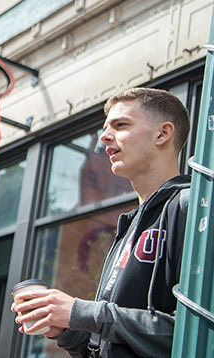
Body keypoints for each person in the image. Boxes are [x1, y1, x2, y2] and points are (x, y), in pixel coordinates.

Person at [11, 88, 191, 357]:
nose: (105, 136)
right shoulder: (129, 227)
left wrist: (81, 312)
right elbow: (108, 344)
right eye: (106, 128)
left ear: (162, 133)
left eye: (121, 125)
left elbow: (194, 333)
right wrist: (65, 328)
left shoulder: (190, 207)